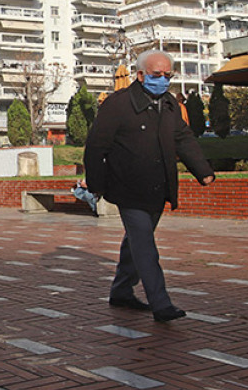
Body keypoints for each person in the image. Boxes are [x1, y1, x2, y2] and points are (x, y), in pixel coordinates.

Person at [85, 49, 215, 323]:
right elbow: (96, 146)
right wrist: (96, 184)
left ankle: (121, 291)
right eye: (158, 75)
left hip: (159, 187)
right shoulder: (118, 104)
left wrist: (202, 171)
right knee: (145, 244)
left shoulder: (168, 104)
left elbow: (184, 138)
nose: (164, 80)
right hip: (128, 187)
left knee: (135, 242)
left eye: (168, 75)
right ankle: (161, 303)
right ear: (141, 75)